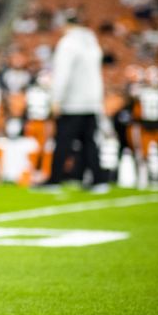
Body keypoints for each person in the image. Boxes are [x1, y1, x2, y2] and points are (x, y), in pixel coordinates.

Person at [42, 11, 107, 192]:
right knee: (90, 142)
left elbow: (62, 74)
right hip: (92, 101)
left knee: (62, 141)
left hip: (72, 102)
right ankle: (98, 180)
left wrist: (56, 99)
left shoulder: (68, 43)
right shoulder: (92, 42)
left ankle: (55, 180)